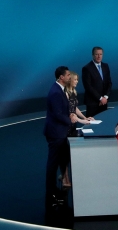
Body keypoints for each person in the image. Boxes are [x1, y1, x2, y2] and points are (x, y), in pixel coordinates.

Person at [43, 66, 76, 201]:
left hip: (59, 132)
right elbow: (57, 114)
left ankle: (54, 190)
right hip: (56, 133)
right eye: (68, 75)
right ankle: (51, 192)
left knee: (56, 162)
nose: (69, 77)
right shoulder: (56, 92)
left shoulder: (59, 89)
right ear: (61, 77)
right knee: (53, 164)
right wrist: (71, 120)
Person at [82, 46, 112, 117]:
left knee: (104, 122)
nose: (99, 56)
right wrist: (100, 98)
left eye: (100, 54)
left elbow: (109, 83)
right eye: (96, 54)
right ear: (93, 55)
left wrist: (105, 97)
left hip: (104, 102)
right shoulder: (87, 68)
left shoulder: (105, 66)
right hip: (93, 103)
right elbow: (88, 86)